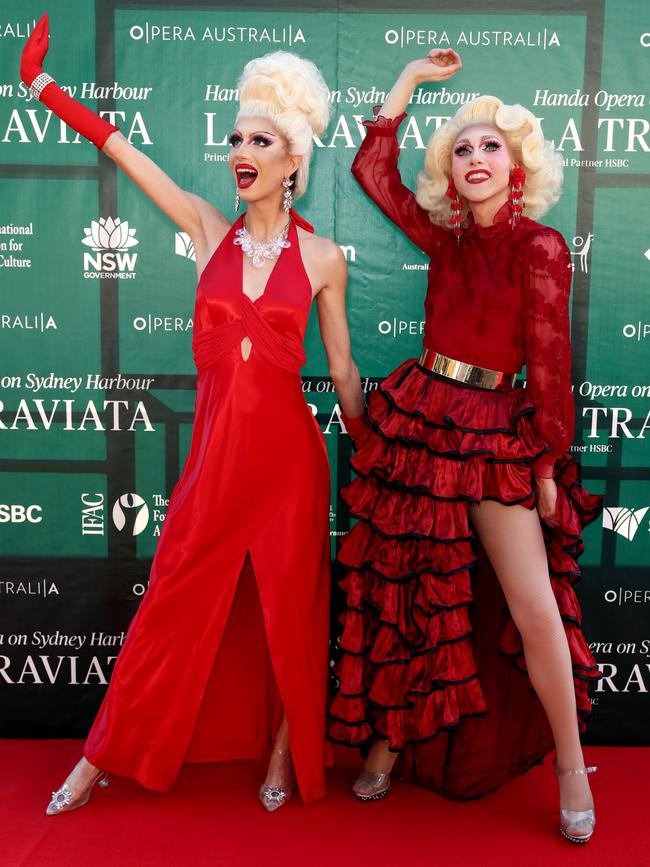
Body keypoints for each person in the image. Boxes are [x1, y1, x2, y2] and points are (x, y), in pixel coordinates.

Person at [21, 14, 365, 814]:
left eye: (260, 142)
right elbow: (126, 153)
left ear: (294, 164)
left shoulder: (323, 259)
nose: (240, 153)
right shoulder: (208, 230)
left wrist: (375, 452)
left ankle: (282, 750)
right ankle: (98, 757)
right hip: (215, 463)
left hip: (289, 466)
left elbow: (343, 368)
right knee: (172, 601)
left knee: (290, 606)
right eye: (236, 139)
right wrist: (43, 88)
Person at [328, 50, 603, 844]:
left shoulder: (541, 247)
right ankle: (388, 738)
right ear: (449, 171)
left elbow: (551, 366)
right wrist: (408, 87)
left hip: (493, 433)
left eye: (490, 146)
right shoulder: (445, 237)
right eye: (462, 148)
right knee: (412, 590)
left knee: (532, 605)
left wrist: (547, 463)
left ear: (516, 163)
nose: (475, 157)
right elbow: (372, 170)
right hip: (421, 418)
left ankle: (572, 766)